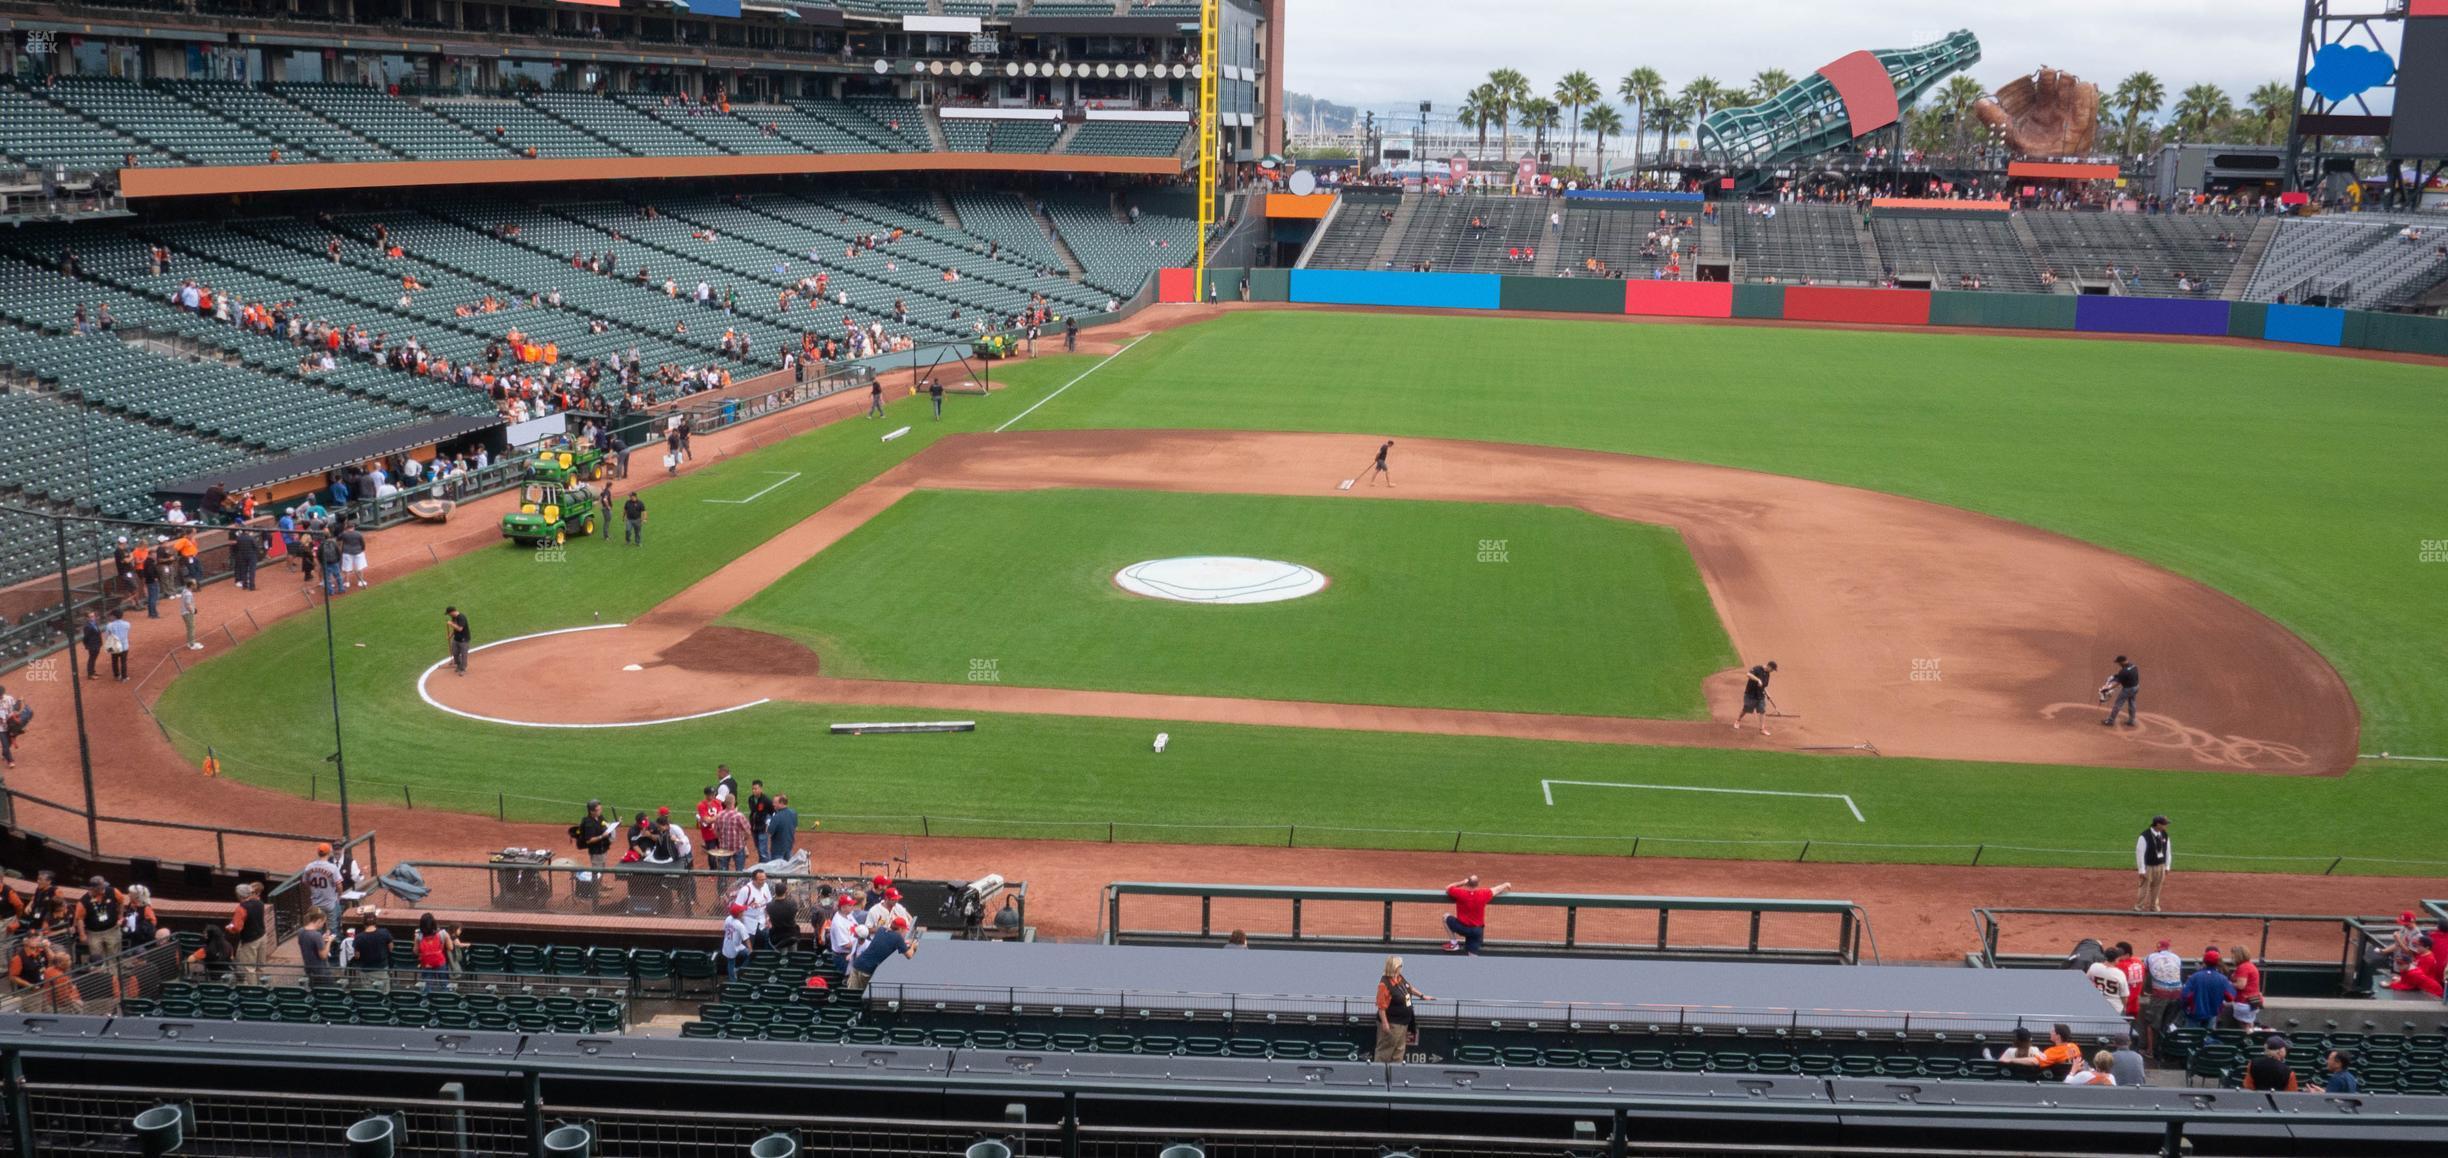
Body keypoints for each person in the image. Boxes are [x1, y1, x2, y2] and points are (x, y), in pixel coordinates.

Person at [1375, 956, 1432, 1063]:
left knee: (1399, 1050)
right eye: (1400, 966)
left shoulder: (1399, 977)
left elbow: (1409, 988)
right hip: (1392, 1024)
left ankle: (1395, 1074)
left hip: (1403, 1023)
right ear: (1395, 967)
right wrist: (1385, 1023)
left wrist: (1422, 996)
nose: (1402, 967)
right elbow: (1381, 1006)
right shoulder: (1384, 984)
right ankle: (1380, 1075)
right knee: (1385, 1051)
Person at [1441, 874, 1510, 956]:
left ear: (1467, 884)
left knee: (1445, 916)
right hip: (1476, 931)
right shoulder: (1484, 893)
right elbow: (1497, 889)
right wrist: (1506, 884)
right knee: (1473, 956)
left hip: (1461, 928)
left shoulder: (1460, 893)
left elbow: (1448, 887)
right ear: (1478, 884)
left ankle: (1454, 943)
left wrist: (1462, 882)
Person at [846, 916, 916, 991]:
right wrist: (913, 946)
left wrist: (903, 944)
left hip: (857, 965)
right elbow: (909, 955)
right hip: (867, 971)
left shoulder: (881, 930)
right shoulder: (898, 938)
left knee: (851, 994)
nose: (905, 932)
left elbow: (887, 940)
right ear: (901, 929)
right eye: (905, 930)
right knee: (865, 996)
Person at [226, 882, 271, 985]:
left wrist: (229, 927)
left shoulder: (241, 908)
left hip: (250, 941)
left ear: (239, 895)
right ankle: (263, 986)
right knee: (261, 966)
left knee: (249, 968)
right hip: (262, 936)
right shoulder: (259, 902)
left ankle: (254, 991)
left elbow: (237, 928)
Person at [73, 875, 125, 963]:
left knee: (114, 955)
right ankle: (102, 975)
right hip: (94, 934)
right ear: (94, 888)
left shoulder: (113, 891)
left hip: (112, 930)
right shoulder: (84, 901)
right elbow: (80, 919)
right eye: (102, 887)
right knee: (97, 957)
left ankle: (114, 975)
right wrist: (82, 935)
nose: (104, 889)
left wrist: (120, 916)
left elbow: (121, 902)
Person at [2181, 950, 2237, 1027]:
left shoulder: (2195, 977)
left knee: (2192, 1037)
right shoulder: (2222, 979)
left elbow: (2185, 995)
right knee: (2208, 1036)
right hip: (2213, 1014)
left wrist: (2187, 1007)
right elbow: (2231, 997)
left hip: (2194, 1014)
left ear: (2204, 961)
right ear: (2218, 963)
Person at [298, 842, 345, 932]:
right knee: (333, 928)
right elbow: (339, 885)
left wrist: (313, 889)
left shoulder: (309, 867)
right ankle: (332, 945)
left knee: (317, 928)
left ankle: (318, 944)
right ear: (329, 853)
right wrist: (339, 895)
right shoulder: (332, 868)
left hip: (316, 904)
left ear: (318, 853)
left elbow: (305, 882)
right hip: (330, 903)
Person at [2134, 815, 2171, 913]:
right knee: (2144, 888)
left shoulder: (2164, 834)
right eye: (2164, 824)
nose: (2166, 826)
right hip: (2148, 867)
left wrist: (2167, 866)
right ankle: (2139, 907)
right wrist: (2141, 869)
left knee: (2157, 887)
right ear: (2158, 824)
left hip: (2161, 866)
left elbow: (2168, 851)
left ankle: (2154, 906)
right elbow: (2139, 852)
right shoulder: (2144, 836)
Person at [2085, 944, 2131, 1016]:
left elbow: (2086, 982)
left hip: (2096, 1006)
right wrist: (2124, 1007)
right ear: (2116, 959)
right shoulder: (2119, 974)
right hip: (2115, 1009)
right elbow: (2124, 996)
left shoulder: (2094, 966)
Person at [1735, 661, 1778, 734]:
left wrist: (1767, 694)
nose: (1772, 671)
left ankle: (1762, 729)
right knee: (1746, 709)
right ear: (1769, 666)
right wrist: (1758, 680)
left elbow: (1763, 686)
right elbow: (1748, 674)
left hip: (1760, 695)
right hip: (1750, 694)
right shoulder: (1757, 669)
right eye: (1772, 669)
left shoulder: (1767, 674)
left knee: (1762, 710)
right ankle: (1738, 720)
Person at [413, 913, 453, 991]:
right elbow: (450, 947)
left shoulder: (419, 936)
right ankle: (446, 999)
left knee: (427, 985)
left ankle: (428, 1000)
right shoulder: (442, 933)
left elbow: (415, 951)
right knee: (444, 984)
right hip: (440, 961)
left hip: (426, 963)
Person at [297, 909, 336, 987]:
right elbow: (323, 955)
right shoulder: (316, 935)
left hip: (309, 969)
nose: (323, 925)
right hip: (321, 971)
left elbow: (309, 944)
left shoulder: (300, 931)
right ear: (319, 921)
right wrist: (329, 941)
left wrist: (322, 939)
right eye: (323, 922)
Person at [572, 800, 613, 871]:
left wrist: (617, 823)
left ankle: (599, 881)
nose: (600, 811)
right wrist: (602, 836)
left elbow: (607, 825)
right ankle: (596, 882)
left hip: (603, 848)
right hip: (596, 852)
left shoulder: (600, 817)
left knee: (602, 870)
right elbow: (588, 840)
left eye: (601, 809)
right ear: (591, 811)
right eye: (598, 810)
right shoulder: (589, 824)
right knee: (597, 872)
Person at [2100, 655, 2140, 727]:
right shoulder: (2134, 666)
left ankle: (2110, 721)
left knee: (2118, 704)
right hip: (2136, 687)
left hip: (2128, 689)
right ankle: (2131, 721)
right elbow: (2127, 675)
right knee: (2132, 703)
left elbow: (2117, 683)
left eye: (2118, 662)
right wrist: (2116, 676)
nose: (2118, 664)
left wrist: (2108, 688)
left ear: (2122, 662)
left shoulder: (2123, 671)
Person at [825, 894, 864, 965]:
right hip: (843, 957)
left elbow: (856, 929)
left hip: (851, 953)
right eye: (850, 905)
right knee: (848, 975)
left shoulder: (848, 914)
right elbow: (846, 945)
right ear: (843, 908)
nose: (852, 907)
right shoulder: (838, 923)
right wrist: (863, 944)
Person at [731, 868, 773, 935]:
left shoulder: (765, 886)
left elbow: (769, 903)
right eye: (761, 880)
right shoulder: (745, 890)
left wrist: (768, 918)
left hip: (762, 923)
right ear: (754, 880)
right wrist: (741, 927)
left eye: (765, 879)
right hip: (748, 924)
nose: (764, 881)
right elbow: (736, 908)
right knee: (750, 944)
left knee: (763, 943)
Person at [720, 903, 754, 979]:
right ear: (739, 914)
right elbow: (747, 940)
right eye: (742, 912)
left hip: (730, 945)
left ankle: (738, 970)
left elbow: (724, 930)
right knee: (749, 956)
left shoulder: (728, 918)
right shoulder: (740, 925)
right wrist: (751, 951)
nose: (743, 913)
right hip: (732, 947)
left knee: (730, 962)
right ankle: (733, 982)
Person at [764, 881, 799, 953]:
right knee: (793, 956)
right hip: (792, 934)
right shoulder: (792, 903)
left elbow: (767, 917)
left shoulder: (769, 905)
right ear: (786, 891)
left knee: (782, 958)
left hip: (778, 936)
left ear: (775, 891)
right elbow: (796, 914)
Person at [338, 519, 370, 588]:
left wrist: (344, 531)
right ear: (353, 527)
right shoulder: (358, 533)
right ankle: (360, 582)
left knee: (347, 568)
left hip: (347, 552)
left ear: (347, 527)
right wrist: (362, 549)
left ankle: (347, 583)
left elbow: (338, 538)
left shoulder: (344, 534)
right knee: (360, 567)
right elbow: (362, 543)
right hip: (358, 552)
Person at [767, 794, 799, 861]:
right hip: (789, 847)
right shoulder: (793, 813)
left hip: (777, 850)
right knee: (788, 869)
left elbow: (769, 832)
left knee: (776, 870)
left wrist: (768, 822)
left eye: (775, 802)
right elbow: (795, 828)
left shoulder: (776, 817)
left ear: (781, 803)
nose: (773, 804)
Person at [104, 608, 131, 681]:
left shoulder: (109, 625)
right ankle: (124, 677)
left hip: (114, 646)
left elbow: (106, 636)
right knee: (123, 662)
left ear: (114, 616)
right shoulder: (127, 624)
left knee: (114, 661)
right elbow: (127, 634)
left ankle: (116, 675)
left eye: (111, 616)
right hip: (124, 646)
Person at [176, 579, 202, 651]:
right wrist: (193, 611)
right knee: (191, 628)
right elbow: (187, 604)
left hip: (185, 613)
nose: (196, 586)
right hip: (187, 613)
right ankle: (192, 645)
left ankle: (190, 642)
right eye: (195, 585)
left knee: (190, 628)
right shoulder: (188, 594)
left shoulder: (185, 590)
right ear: (191, 585)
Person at [444, 607, 471, 676]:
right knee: (455, 653)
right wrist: (451, 635)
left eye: (449, 613)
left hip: (464, 640)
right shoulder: (453, 617)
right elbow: (455, 628)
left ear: (452, 612)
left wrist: (451, 624)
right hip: (456, 639)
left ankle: (463, 669)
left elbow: (459, 629)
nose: (449, 615)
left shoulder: (461, 618)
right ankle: (458, 665)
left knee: (464, 655)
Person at [80, 610, 103, 679]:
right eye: (91, 617)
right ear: (87, 618)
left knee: (93, 659)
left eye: (93, 616)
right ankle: (90, 675)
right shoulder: (87, 627)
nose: (93, 618)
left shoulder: (95, 623)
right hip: (92, 646)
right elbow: (85, 638)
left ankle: (93, 672)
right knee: (91, 659)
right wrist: (87, 646)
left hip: (97, 644)